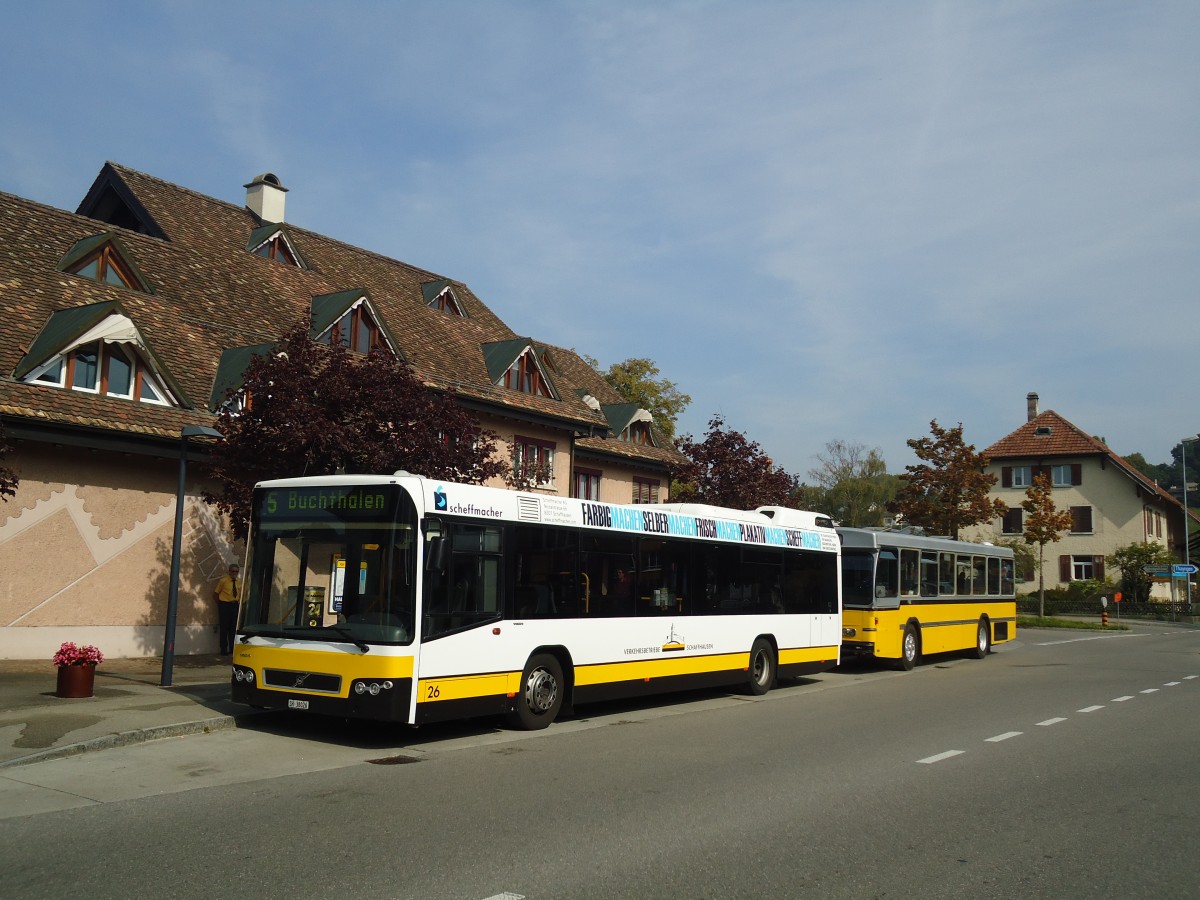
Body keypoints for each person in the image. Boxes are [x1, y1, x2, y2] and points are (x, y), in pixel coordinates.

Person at [213, 563, 242, 655]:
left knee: (233, 628)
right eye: (233, 571)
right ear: (229, 571)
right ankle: (223, 649)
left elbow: (240, 594)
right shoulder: (223, 581)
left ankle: (232, 649)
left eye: (236, 571)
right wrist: (220, 605)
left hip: (234, 605)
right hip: (224, 605)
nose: (234, 573)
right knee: (224, 627)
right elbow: (215, 594)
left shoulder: (239, 582)